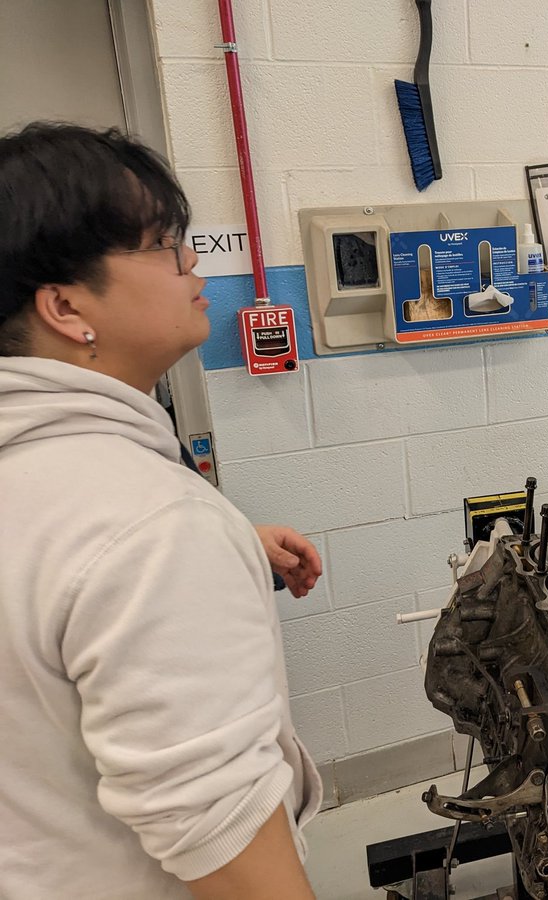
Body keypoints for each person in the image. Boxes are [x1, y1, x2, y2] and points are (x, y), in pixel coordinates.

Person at [0, 122, 322, 899]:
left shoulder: (50, 489)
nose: (192, 261)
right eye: (161, 242)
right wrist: (180, 553)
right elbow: (224, 841)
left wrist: (223, 550)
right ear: (67, 305)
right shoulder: (149, 526)